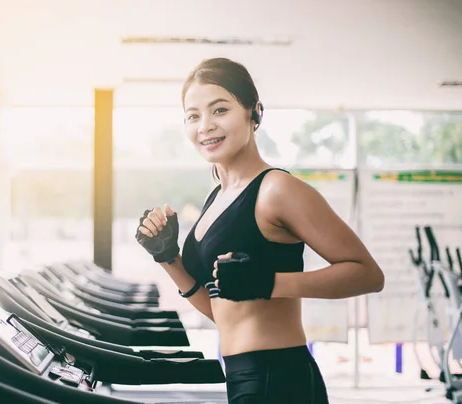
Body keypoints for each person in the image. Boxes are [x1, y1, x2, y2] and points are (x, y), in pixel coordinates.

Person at [135, 57, 385, 404]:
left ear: (254, 113)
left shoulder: (277, 189)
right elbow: (221, 311)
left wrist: (270, 282)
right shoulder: (217, 197)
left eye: (219, 110)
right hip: (243, 375)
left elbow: (368, 275)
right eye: (193, 116)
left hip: (278, 377)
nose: (205, 125)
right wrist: (167, 258)